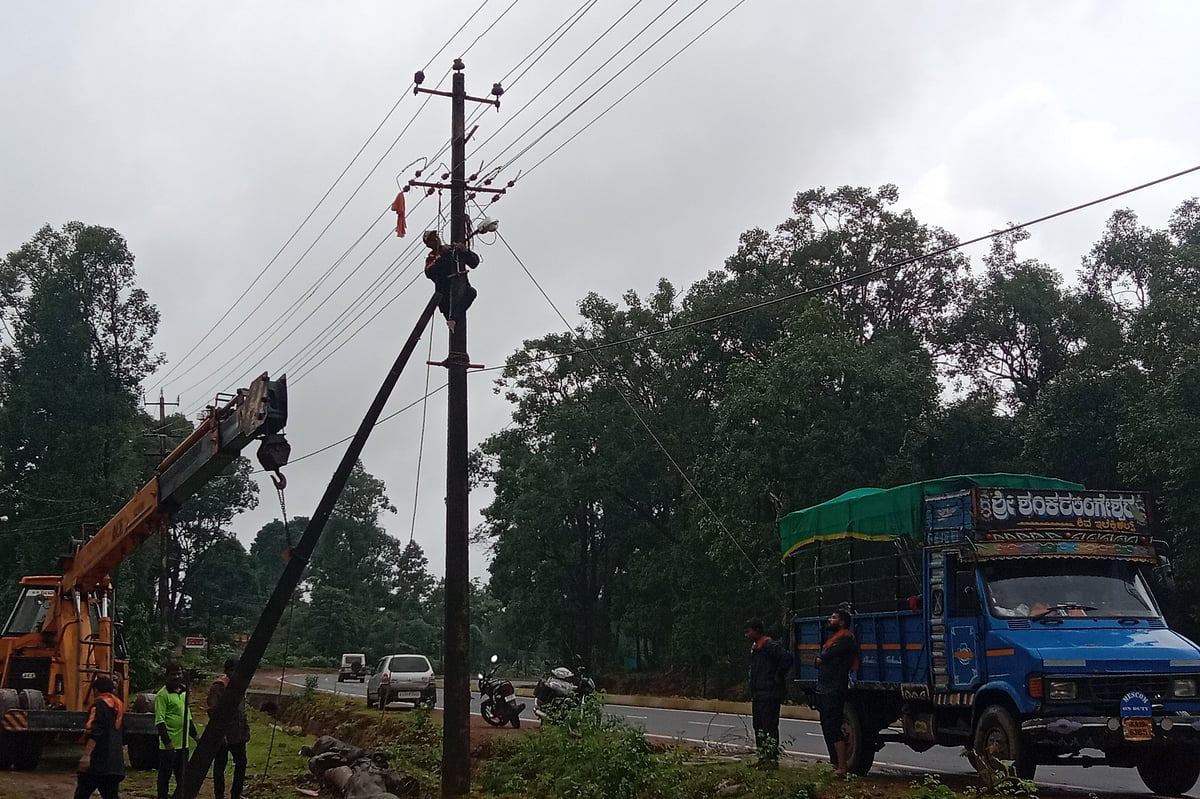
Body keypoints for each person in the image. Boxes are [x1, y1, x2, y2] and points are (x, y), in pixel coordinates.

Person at [814, 608, 859, 778]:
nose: (829, 620)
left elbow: (825, 656)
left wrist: (822, 658)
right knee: (826, 725)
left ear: (842, 622)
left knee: (833, 726)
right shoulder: (833, 639)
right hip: (825, 687)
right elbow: (820, 659)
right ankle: (834, 764)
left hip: (835, 688)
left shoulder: (846, 638)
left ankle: (842, 767)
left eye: (833, 618)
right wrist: (821, 658)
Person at [743, 617, 792, 767]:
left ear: (757, 630)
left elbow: (787, 658)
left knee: (769, 726)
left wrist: (777, 676)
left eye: (748, 631)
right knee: (758, 727)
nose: (747, 635)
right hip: (758, 694)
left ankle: (771, 759)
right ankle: (762, 757)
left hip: (769, 693)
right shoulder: (756, 648)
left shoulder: (770, 645)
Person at [75, 675, 125, 799]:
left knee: (82, 794)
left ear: (96, 690)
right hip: (114, 763)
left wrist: (86, 756)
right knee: (111, 795)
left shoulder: (98, 706)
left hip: (98, 762)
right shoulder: (118, 707)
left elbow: (95, 731)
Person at [207, 657, 251, 799]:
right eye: (232, 670)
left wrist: (245, 730)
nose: (235, 673)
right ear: (226, 671)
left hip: (238, 733)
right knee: (220, 766)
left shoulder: (239, 685)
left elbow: (241, 710)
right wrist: (220, 734)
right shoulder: (219, 686)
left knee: (242, 762)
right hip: (223, 734)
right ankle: (219, 795)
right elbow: (212, 710)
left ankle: (236, 794)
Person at [155, 662, 199, 799]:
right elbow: (160, 721)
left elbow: (188, 717)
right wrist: (167, 742)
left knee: (183, 776)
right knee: (165, 775)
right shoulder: (162, 695)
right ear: (167, 676)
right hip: (169, 746)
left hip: (183, 744)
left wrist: (196, 737)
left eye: (179, 673)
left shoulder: (184, 692)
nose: (176, 677)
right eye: (173, 674)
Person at [423, 230, 480, 333]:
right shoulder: (432, 257)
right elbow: (429, 272)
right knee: (455, 332)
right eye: (432, 239)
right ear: (428, 244)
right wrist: (444, 256)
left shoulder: (452, 250)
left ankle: (453, 319)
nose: (436, 239)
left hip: (461, 289)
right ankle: (452, 320)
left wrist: (465, 251)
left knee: (471, 292)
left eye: (436, 236)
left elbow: (474, 262)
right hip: (445, 295)